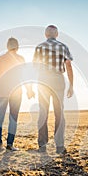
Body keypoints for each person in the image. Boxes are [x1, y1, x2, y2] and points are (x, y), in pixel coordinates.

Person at [27, 25, 74, 154]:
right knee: (59, 113)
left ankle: (42, 145)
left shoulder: (40, 47)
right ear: (57, 34)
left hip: (43, 80)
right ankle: (59, 146)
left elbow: (34, 67)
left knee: (43, 112)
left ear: (46, 35)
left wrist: (30, 86)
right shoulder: (63, 46)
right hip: (58, 79)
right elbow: (68, 65)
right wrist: (71, 84)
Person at [0, 37, 25, 151]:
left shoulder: (0, 59)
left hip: (1, 90)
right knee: (13, 118)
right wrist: (29, 89)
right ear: (17, 46)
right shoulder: (21, 59)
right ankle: (10, 145)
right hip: (16, 92)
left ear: (7, 46)